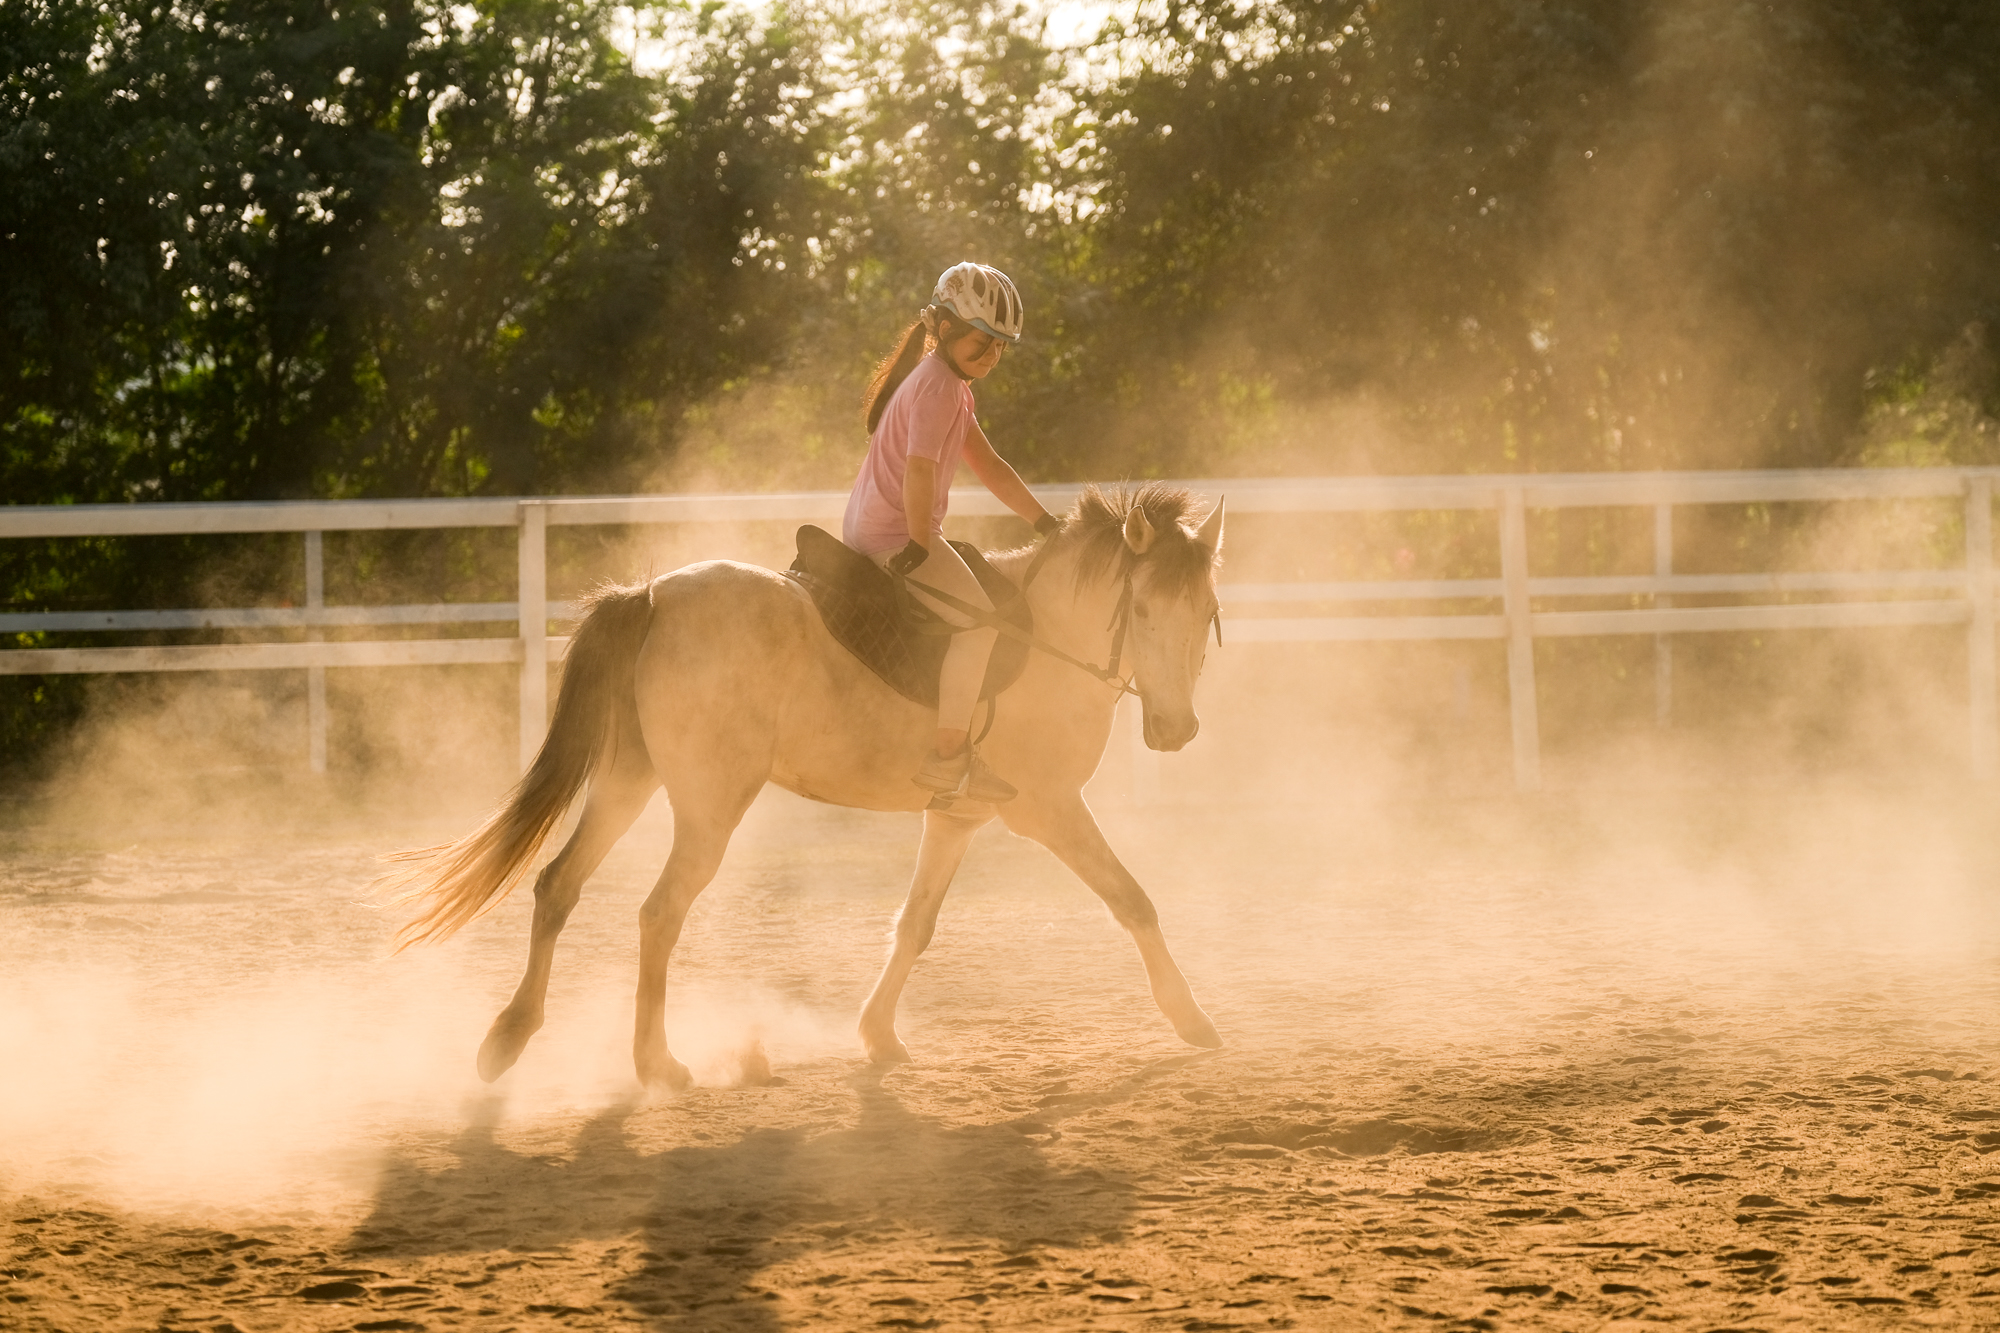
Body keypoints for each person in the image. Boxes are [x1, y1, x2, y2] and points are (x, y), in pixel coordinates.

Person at [843, 262, 1060, 803]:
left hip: (876, 525)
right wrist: (919, 543)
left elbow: (989, 466)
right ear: (943, 328)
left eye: (1000, 347)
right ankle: (949, 759)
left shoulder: (946, 386)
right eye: (982, 341)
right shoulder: (940, 388)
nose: (990, 355)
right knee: (981, 624)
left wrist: (1043, 521)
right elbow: (918, 470)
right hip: (895, 533)